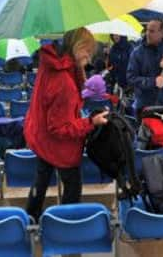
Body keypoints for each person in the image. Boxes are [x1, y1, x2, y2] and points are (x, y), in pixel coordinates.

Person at [24, 28, 108, 221]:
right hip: (58, 145)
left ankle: (31, 218)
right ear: (76, 47)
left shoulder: (53, 63)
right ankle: (65, 223)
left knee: (41, 179)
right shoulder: (63, 83)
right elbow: (60, 128)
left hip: (40, 136)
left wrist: (78, 72)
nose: (90, 54)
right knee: (72, 187)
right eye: (86, 49)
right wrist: (90, 122)